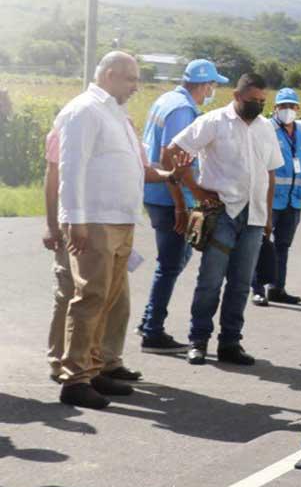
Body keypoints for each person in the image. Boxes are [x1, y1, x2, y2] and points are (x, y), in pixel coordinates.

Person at [55, 52, 177, 408]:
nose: (137, 87)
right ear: (110, 74)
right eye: (131, 79)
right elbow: (70, 168)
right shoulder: (85, 110)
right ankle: (75, 379)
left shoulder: (116, 113)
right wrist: (74, 219)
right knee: (90, 297)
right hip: (93, 219)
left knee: (108, 300)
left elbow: (133, 165)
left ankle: (95, 369)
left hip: (120, 219)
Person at [163, 73, 284, 366]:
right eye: (252, 100)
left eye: (262, 102)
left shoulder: (266, 127)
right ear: (236, 96)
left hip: (253, 216)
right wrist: (196, 191)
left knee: (241, 283)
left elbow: (270, 173)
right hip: (221, 214)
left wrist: (267, 217)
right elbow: (172, 153)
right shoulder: (214, 121)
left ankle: (230, 342)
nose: (257, 105)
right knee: (210, 280)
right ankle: (198, 340)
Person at [42, 121, 145, 386]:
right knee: (71, 294)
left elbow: (140, 169)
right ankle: (60, 363)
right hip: (78, 224)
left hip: (113, 223)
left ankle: (105, 361)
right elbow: (54, 177)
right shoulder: (73, 125)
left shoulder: (123, 125)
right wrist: (52, 225)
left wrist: (170, 174)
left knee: (116, 298)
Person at [137, 59, 226, 353]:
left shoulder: (168, 99)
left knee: (174, 260)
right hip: (168, 194)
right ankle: (153, 331)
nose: (213, 90)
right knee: (171, 263)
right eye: (213, 85)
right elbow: (170, 160)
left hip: (156, 191)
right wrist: (182, 204)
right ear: (203, 84)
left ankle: (149, 319)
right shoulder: (182, 109)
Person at [251, 88, 301, 306]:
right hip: (268, 199)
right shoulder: (265, 129)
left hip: (293, 200)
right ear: (275, 108)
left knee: (283, 246)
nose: (287, 110)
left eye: (292, 106)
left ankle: (277, 288)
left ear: (298, 108)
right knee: (260, 243)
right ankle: (257, 289)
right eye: (283, 106)